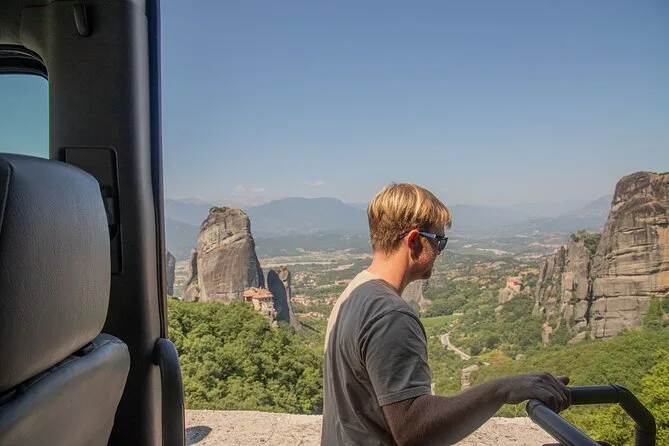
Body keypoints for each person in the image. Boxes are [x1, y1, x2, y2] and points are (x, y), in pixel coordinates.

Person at [321, 183, 571, 446]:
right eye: (439, 241)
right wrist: (503, 390)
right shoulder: (391, 315)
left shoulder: (354, 293)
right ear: (414, 241)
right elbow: (414, 431)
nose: (440, 252)